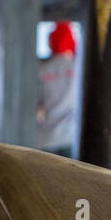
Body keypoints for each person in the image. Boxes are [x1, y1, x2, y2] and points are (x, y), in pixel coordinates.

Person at [37, 22, 79, 157]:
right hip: (72, 137)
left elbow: (36, 105)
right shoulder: (80, 67)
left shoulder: (43, 69)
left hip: (47, 137)